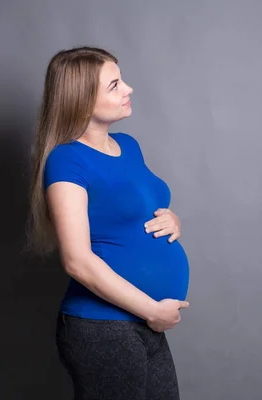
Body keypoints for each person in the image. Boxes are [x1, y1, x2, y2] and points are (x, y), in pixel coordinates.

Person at [26, 46, 191, 400]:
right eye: (115, 85)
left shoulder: (128, 146)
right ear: (82, 101)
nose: (129, 88)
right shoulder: (67, 161)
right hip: (104, 328)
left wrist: (172, 218)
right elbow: (77, 260)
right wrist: (153, 311)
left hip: (144, 322)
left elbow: (139, 206)